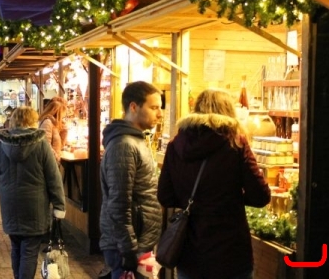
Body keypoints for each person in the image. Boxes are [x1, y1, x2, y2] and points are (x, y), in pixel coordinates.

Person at [157, 89, 271, 279]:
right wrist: (231, 198)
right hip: (231, 254)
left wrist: (191, 201)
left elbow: (165, 196)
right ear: (228, 112)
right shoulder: (236, 144)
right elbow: (261, 196)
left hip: (190, 253)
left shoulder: (176, 145)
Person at [0, 106, 65, 279]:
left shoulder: (2, 146)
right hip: (35, 206)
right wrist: (59, 205)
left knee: (16, 246)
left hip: (10, 205)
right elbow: (53, 178)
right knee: (30, 251)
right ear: (33, 121)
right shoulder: (42, 145)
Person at [99, 81, 163, 279]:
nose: (159, 114)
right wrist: (128, 249)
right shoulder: (124, 145)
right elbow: (119, 202)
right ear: (134, 107)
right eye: (154, 108)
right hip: (127, 246)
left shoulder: (134, 140)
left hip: (135, 241)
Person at [38, 96, 68, 162]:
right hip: (50, 163)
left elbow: (61, 146)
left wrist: (64, 131)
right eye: (63, 113)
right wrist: (57, 158)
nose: (64, 116)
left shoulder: (54, 124)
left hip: (54, 162)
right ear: (58, 113)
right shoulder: (47, 122)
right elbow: (46, 146)